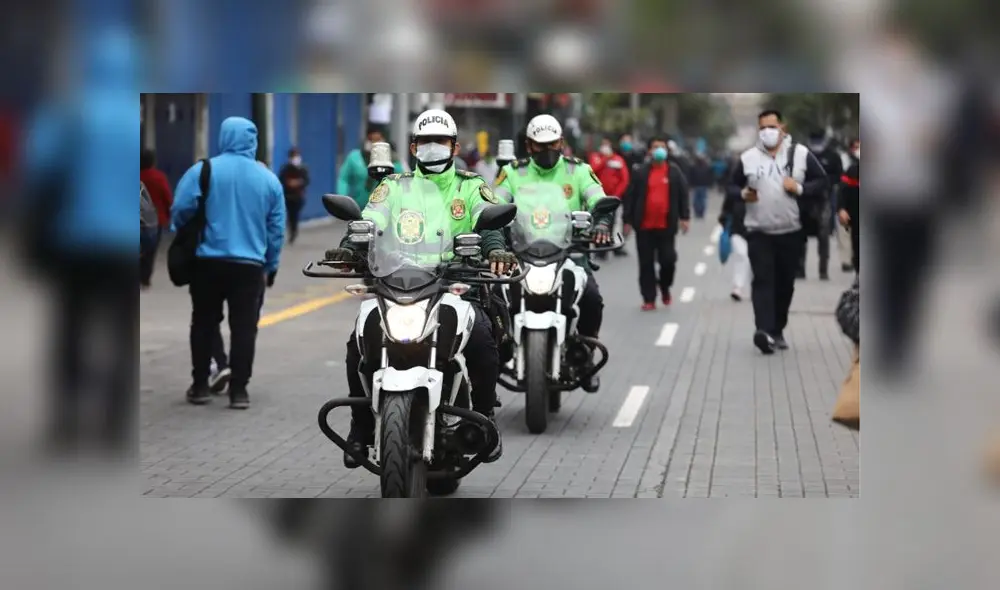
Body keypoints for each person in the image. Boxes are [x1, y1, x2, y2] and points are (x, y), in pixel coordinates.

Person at [323, 109, 514, 467]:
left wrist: (496, 250)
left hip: (455, 286)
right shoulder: (393, 186)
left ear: (454, 146)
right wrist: (349, 248)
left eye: (440, 141)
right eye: (425, 141)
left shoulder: (470, 186)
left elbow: (488, 224)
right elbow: (369, 221)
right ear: (413, 146)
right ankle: (360, 428)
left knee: (485, 340)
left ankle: (485, 420)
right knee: (359, 341)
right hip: (397, 286)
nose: (432, 147)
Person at [172, 117, 286, 409]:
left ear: (222, 137)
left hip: (207, 262)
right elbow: (276, 230)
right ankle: (239, 391)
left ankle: (200, 385)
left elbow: (181, 209)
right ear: (254, 140)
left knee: (204, 323)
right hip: (249, 266)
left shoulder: (203, 171)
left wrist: (188, 233)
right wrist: (270, 266)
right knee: (244, 328)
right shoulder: (268, 179)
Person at [495, 114, 613, 390]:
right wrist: (494, 231)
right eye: (539, 145)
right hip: (522, 254)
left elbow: (598, 198)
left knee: (593, 299)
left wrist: (602, 222)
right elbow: (494, 204)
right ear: (528, 145)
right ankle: (501, 350)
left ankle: (585, 357)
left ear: (561, 142)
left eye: (552, 144)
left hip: (570, 254)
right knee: (493, 298)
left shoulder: (578, 171)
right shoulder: (513, 172)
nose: (547, 150)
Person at [727, 109, 828, 354]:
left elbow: (823, 181)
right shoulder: (748, 157)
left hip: (791, 231)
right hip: (758, 231)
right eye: (762, 128)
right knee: (762, 281)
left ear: (782, 127)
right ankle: (763, 330)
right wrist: (742, 194)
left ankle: (777, 330)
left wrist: (800, 188)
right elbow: (730, 185)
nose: (767, 132)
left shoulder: (800, 154)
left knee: (784, 284)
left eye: (771, 127)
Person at [622, 136, 690, 309]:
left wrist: (685, 217)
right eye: (655, 147)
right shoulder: (640, 172)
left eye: (662, 147)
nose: (659, 150)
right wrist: (627, 220)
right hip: (644, 227)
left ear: (666, 150)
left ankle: (665, 286)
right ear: (649, 151)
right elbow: (630, 197)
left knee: (668, 260)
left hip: (666, 227)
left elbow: (683, 195)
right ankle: (649, 298)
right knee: (646, 264)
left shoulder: (674, 171)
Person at [798, 130, 843, 280]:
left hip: (823, 200)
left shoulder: (832, 156)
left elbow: (838, 175)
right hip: (803, 199)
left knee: (823, 236)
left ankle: (823, 270)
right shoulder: (802, 154)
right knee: (800, 236)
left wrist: (825, 184)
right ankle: (800, 270)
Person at [588, 136, 631, 259]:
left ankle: (606, 246)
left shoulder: (618, 160)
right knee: (596, 220)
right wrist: (604, 160)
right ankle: (597, 247)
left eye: (607, 144)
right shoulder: (596, 157)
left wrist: (616, 194)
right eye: (603, 144)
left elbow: (624, 179)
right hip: (597, 197)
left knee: (610, 221)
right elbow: (591, 171)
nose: (605, 147)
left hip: (612, 197)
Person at [139, 148, 173, 287]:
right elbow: (167, 197)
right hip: (155, 221)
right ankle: (145, 278)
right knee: (150, 250)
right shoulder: (159, 177)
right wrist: (170, 214)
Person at [718, 171, 751, 301]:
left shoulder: (766, 190)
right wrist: (726, 222)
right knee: (741, 255)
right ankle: (737, 287)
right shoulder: (734, 192)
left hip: (758, 231)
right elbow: (725, 211)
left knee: (757, 260)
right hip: (737, 230)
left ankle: (757, 288)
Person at [337, 126, 385, 211]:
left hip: (382, 211)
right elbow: (343, 179)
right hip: (357, 210)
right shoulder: (354, 157)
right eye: (371, 139)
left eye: (377, 139)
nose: (374, 143)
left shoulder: (390, 160)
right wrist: (342, 200)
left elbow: (403, 181)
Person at [278, 147, 310, 245]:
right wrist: (289, 183)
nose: (295, 158)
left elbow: (307, 181)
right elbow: (281, 180)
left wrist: (298, 183)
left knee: (295, 215)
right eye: (293, 156)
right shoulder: (285, 169)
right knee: (289, 215)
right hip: (288, 196)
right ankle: (291, 232)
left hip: (298, 196)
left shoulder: (303, 169)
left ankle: (294, 231)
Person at [838, 138, 860, 272]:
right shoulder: (853, 170)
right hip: (856, 215)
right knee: (857, 246)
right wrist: (841, 209)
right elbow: (842, 190)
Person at [689, 153, 714, 220]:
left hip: (698, 185)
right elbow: (710, 177)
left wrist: (691, 184)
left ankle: (699, 213)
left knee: (698, 200)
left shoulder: (694, 167)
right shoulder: (706, 167)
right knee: (701, 200)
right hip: (702, 185)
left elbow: (691, 176)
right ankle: (700, 213)